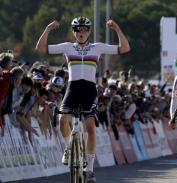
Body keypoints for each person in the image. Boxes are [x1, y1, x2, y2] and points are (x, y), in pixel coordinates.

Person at [35, 16, 130, 183]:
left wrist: (116, 29)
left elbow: (125, 48)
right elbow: (41, 48)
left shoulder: (97, 47)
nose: (81, 32)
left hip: (89, 90)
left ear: (89, 31)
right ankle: (68, 149)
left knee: (91, 128)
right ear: (73, 32)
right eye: (77, 29)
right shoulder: (67, 47)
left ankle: (90, 171)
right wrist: (48, 29)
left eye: (84, 29)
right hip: (72, 88)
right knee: (63, 120)